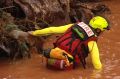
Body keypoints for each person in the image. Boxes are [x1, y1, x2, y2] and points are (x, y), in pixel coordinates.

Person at [28, 16, 110, 70]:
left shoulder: (74, 25)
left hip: (51, 54)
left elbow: (52, 30)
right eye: (102, 30)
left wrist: (35, 33)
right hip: (66, 64)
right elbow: (97, 64)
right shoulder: (92, 42)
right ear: (98, 30)